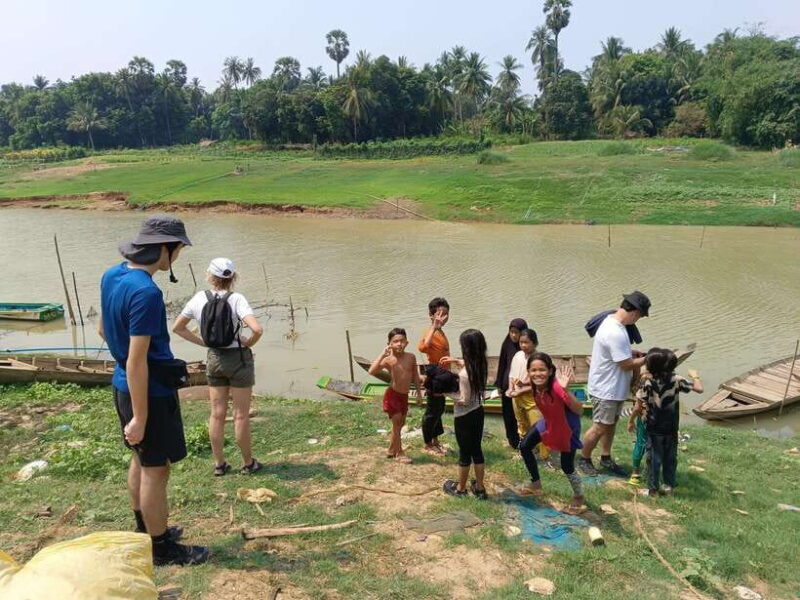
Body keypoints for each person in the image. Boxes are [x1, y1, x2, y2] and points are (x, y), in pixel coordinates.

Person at [98, 215, 209, 566]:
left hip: (123, 386)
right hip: (149, 391)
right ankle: (160, 548)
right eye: (176, 250)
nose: (176, 257)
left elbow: (103, 328)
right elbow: (137, 361)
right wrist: (142, 417)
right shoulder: (146, 292)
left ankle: (143, 529)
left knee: (141, 459)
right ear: (165, 249)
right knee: (156, 469)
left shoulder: (112, 275)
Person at [172, 258, 264, 476]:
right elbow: (257, 329)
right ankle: (248, 463)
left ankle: (219, 464)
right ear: (232, 278)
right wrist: (246, 344)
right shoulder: (237, 299)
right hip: (238, 359)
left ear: (209, 276)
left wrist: (205, 342)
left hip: (214, 359)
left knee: (217, 414)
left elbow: (178, 327)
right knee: (240, 415)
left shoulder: (198, 298)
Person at [578, 291, 651, 477]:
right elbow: (625, 365)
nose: (638, 320)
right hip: (606, 389)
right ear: (634, 312)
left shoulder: (613, 322)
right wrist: (646, 360)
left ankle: (606, 457)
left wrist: (631, 351)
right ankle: (584, 459)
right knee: (600, 426)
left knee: (611, 424)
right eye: (640, 316)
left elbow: (619, 355)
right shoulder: (614, 331)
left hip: (613, 387)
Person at [517, 352, 585, 514]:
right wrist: (519, 390)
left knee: (566, 466)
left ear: (550, 371)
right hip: (548, 422)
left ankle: (579, 498)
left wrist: (566, 390)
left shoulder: (556, 387)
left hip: (567, 427)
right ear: (528, 372)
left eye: (542, 370)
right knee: (525, 446)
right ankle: (536, 484)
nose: (537, 374)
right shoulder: (536, 385)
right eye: (533, 370)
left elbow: (580, 410)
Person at [634, 348, 703, 496]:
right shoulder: (677, 379)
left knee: (653, 459)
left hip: (654, 427)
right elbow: (699, 389)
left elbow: (640, 401)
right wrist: (695, 376)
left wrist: (633, 418)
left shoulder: (647, 381)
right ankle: (669, 487)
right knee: (670, 458)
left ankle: (652, 490)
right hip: (671, 427)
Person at [440, 329, 489, 499]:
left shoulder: (464, 375)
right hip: (478, 412)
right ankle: (480, 488)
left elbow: (464, 400)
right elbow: (467, 365)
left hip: (464, 416)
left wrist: (444, 393)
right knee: (477, 451)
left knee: (464, 453)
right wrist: (455, 360)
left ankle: (460, 488)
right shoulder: (481, 364)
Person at [369, 328, 423, 464]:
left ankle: (391, 449)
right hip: (392, 394)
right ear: (389, 344)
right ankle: (399, 453)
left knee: (400, 424)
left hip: (404, 396)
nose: (399, 344)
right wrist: (382, 354)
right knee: (397, 422)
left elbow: (415, 376)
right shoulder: (389, 360)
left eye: (402, 341)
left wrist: (419, 393)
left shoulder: (411, 357)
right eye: (395, 341)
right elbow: (372, 370)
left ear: (407, 342)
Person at [508, 328, 553, 469]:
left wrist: (522, 389)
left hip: (534, 398)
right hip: (517, 396)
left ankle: (546, 458)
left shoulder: (539, 359)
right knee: (522, 425)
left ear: (535, 343)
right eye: (521, 342)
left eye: (527, 343)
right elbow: (512, 375)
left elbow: (541, 382)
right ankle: (526, 451)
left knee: (539, 429)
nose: (523, 346)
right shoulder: (518, 356)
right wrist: (511, 388)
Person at [418, 297, 451, 455]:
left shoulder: (440, 331)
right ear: (431, 316)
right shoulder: (430, 331)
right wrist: (434, 327)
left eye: (446, 314)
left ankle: (436, 440)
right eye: (440, 314)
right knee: (432, 410)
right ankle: (427, 443)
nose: (443, 317)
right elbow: (423, 348)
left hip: (443, 375)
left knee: (440, 408)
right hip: (434, 375)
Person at [494, 318, 528, 449]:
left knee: (522, 415)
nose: (513, 335)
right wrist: (499, 384)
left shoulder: (526, 345)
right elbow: (502, 363)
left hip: (522, 386)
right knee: (508, 415)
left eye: (516, 332)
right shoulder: (507, 343)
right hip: (506, 385)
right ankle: (513, 441)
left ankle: (526, 440)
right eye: (511, 332)